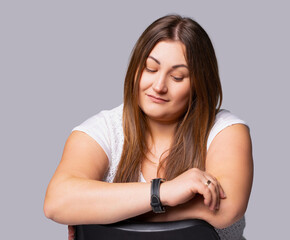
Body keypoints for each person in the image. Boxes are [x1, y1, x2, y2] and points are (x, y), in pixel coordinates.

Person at [44, 14, 253, 240]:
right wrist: (162, 193)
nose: (159, 86)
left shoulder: (225, 130)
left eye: (177, 76)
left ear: (200, 84)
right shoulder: (101, 131)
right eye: (150, 69)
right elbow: (58, 202)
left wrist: (102, 211)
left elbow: (226, 207)